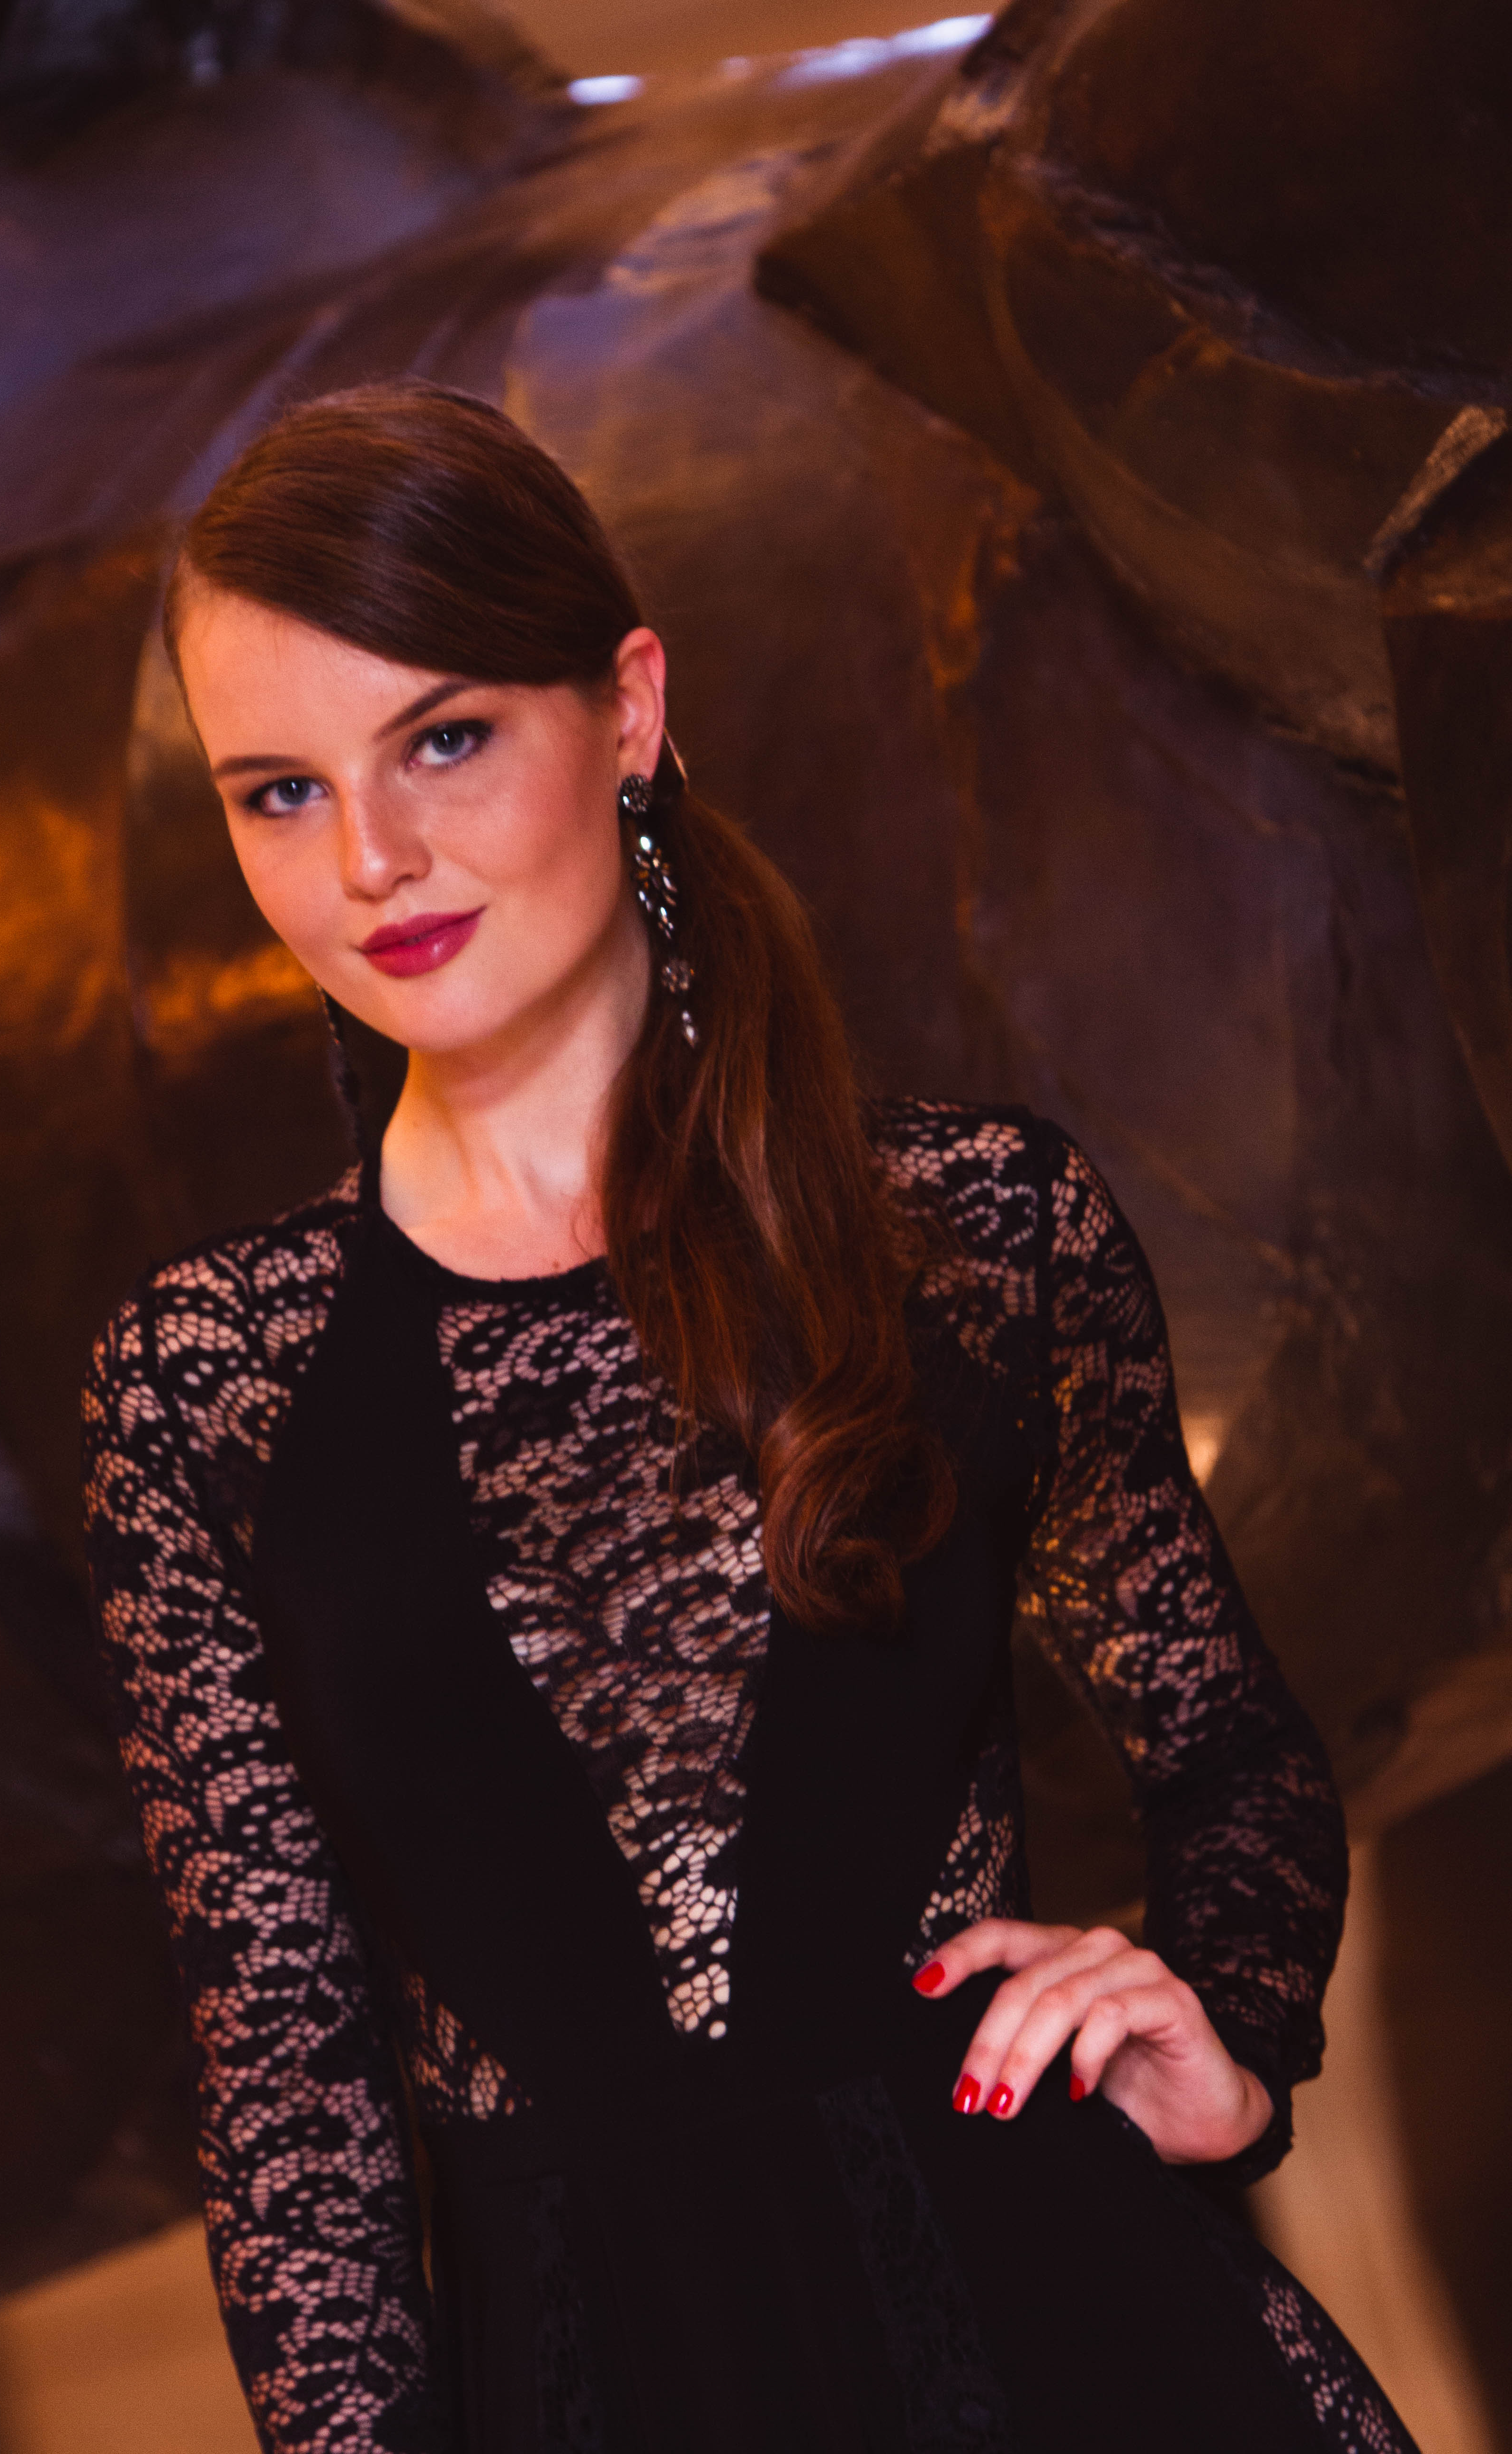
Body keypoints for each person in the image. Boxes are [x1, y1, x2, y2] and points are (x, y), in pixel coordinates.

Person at [82, 380, 1416, 2454]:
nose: (369, 860)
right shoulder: (203, 1387)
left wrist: (1226, 2042)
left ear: (627, 709)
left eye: (445, 740)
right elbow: (290, 2094)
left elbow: (1231, 1755)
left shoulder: (976, 1235)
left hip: (1081, 2348)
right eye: (279, 791)